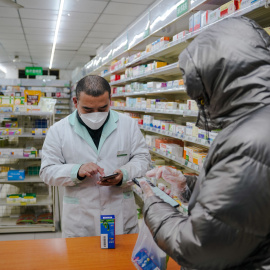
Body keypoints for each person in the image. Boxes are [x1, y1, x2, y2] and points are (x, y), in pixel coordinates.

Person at [140, 16, 270, 270]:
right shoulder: (257, 123)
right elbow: (248, 202)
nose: (203, 106)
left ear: (218, 82)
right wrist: (188, 186)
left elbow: (199, 247)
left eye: (202, 97)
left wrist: (153, 202)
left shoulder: (251, 139)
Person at [40, 75, 151, 238]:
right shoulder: (58, 130)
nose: (96, 114)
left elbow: (142, 159)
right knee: (82, 263)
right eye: (88, 109)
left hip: (120, 214)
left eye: (102, 108)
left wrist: (124, 174)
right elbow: (47, 172)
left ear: (110, 100)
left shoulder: (128, 125)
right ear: (75, 102)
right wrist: (76, 171)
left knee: (121, 263)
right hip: (81, 221)